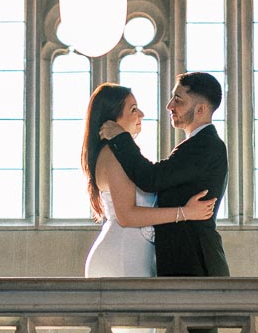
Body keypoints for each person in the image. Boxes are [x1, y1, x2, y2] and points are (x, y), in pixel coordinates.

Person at [100, 72, 229, 333]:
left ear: (200, 110)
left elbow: (151, 178)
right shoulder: (193, 145)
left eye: (178, 99)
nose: (169, 105)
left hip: (195, 269)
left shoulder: (206, 146)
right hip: (179, 268)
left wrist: (120, 138)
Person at [82, 83, 216, 278]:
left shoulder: (121, 153)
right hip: (122, 253)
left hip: (135, 252)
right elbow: (127, 216)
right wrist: (185, 213)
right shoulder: (112, 154)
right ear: (113, 118)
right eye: (133, 109)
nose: (141, 114)